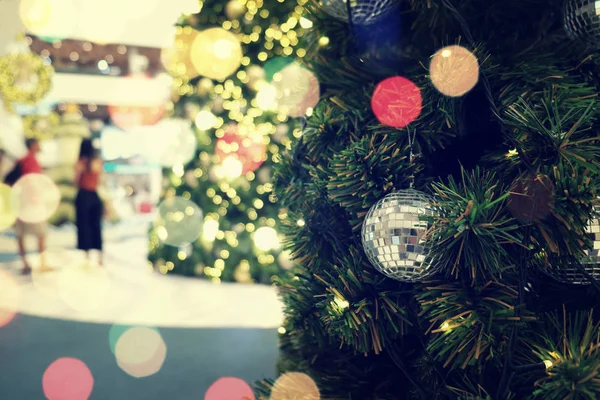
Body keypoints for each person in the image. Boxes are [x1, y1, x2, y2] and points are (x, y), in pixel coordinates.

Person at [14, 138, 48, 274]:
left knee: (21, 233)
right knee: (40, 233)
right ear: (33, 146)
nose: (40, 145)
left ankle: (26, 263)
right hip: (31, 202)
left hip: (21, 201)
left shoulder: (22, 160)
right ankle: (41, 263)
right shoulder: (29, 161)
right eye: (38, 143)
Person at [74, 139, 104, 266]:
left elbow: (75, 181)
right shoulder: (97, 162)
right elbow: (100, 179)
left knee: (84, 226)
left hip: (83, 195)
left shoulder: (79, 163)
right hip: (94, 195)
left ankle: (87, 256)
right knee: (96, 226)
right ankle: (100, 256)